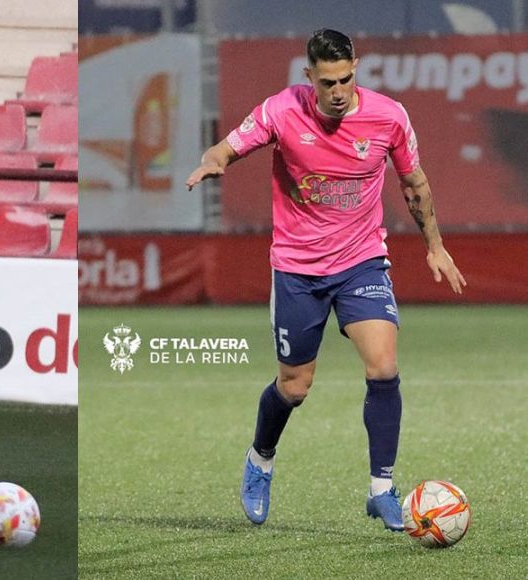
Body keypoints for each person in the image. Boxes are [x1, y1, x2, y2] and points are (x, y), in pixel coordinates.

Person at [186, 29, 466, 531]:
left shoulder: (389, 116)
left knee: (383, 366)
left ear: (356, 66)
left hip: (362, 260)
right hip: (297, 266)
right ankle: (260, 459)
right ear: (308, 75)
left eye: (347, 78)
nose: (338, 91)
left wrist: (435, 245)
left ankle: (381, 488)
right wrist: (213, 161)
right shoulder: (281, 110)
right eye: (328, 81)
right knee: (295, 387)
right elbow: (226, 147)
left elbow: (413, 182)